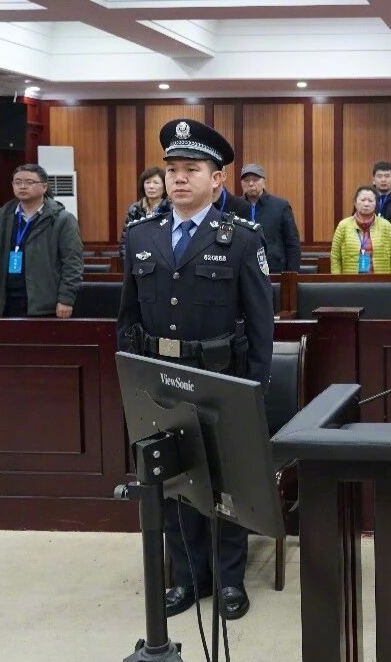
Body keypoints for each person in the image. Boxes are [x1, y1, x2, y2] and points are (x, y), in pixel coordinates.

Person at [117, 118, 274, 622]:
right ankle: (188, 577)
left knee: (225, 483)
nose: (179, 178)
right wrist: (133, 383)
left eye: (192, 169)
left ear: (217, 179)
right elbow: (128, 317)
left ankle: (228, 580)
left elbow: (261, 323)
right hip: (160, 379)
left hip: (220, 380)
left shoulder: (242, 238)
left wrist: (254, 390)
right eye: (172, 170)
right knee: (174, 477)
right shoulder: (140, 235)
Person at [0, 164, 83, 318]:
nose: (22, 186)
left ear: (44, 187)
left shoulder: (62, 220)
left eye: (29, 182)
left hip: (46, 302)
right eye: (17, 182)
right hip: (7, 300)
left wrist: (66, 299)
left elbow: (72, 263)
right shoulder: (3, 217)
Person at [239, 163, 301, 273]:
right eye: (246, 180)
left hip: (274, 269)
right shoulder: (235, 206)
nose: (251, 184)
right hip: (243, 270)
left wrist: (292, 275)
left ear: (264, 182)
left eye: (255, 180)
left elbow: (292, 243)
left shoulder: (280, 206)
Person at [330, 186, 391, 274]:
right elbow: (335, 257)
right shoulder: (343, 225)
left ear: (376, 204)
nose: (366, 204)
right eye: (362, 200)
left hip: (380, 280)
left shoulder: (386, 226)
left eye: (370, 201)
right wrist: (338, 280)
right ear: (355, 203)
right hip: (351, 280)